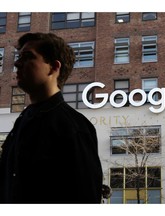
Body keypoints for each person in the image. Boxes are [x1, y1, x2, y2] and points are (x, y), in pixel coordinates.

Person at [0, 32, 103, 203]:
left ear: (54, 67)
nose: (17, 63)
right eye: (19, 57)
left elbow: (86, 196)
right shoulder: (24, 120)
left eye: (28, 57)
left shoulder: (73, 127)